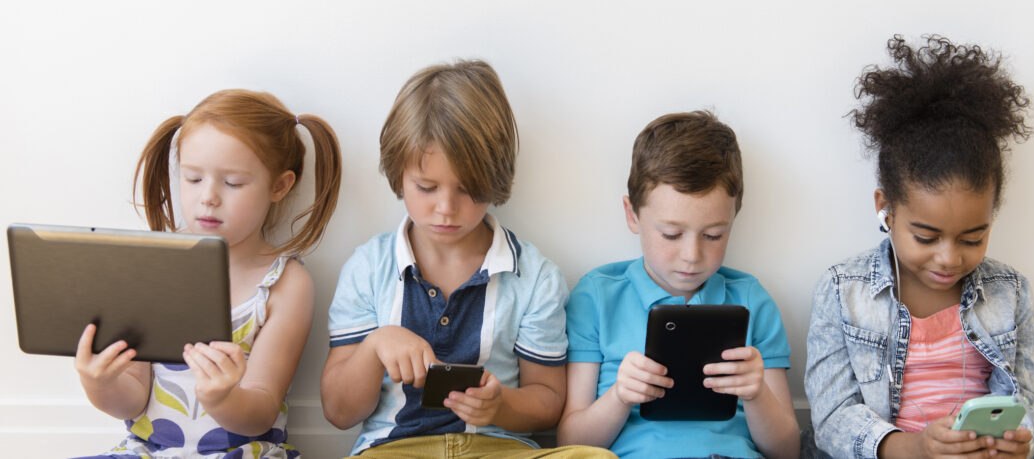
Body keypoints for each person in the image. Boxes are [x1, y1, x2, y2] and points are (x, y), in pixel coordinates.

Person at [321, 60, 613, 458]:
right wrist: (374, 347)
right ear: (398, 174)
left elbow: (547, 400)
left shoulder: (535, 276)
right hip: (393, 449)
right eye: (426, 187)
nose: (446, 208)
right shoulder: (368, 268)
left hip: (498, 448)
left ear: (494, 179)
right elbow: (338, 411)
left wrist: (501, 406)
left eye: (468, 190)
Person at [804, 35, 1034, 459]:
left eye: (973, 238)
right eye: (926, 237)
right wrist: (917, 447)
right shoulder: (842, 290)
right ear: (885, 209)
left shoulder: (1010, 291)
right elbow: (833, 419)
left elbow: (1029, 405)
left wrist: (1020, 444)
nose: (949, 258)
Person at [73, 89, 343, 459]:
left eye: (232, 183)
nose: (209, 197)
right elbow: (132, 400)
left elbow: (261, 410)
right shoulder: (152, 265)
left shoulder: (285, 283)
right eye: (194, 179)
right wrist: (98, 382)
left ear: (280, 186)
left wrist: (223, 397)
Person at [557, 110, 800, 459]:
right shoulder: (597, 296)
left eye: (714, 235)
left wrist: (756, 393)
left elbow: (788, 451)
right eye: (671, 234)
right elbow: (570, 444)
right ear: (632, 215)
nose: (691, 255)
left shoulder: (750, 299)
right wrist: (620, 396)